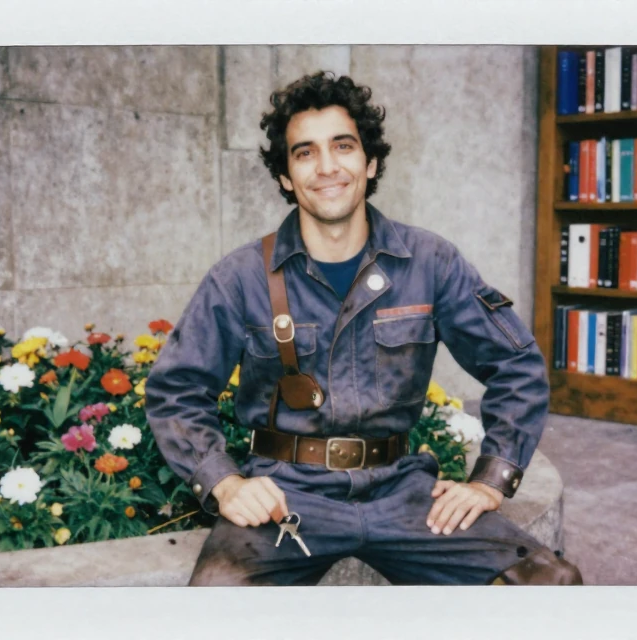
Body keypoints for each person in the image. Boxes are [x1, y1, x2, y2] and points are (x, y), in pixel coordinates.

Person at [144, 71, 582, 586]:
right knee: (220, 597)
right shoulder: (239, 277)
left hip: (404, 494)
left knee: (545, 585)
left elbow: (515, 363)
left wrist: (491, 480)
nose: (326, 167)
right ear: (286, 176)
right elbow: (176, 389)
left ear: (370, 162)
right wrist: (225, 483)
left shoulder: (430, 263)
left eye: (343, 146)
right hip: (286, 496)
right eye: (304, 153)